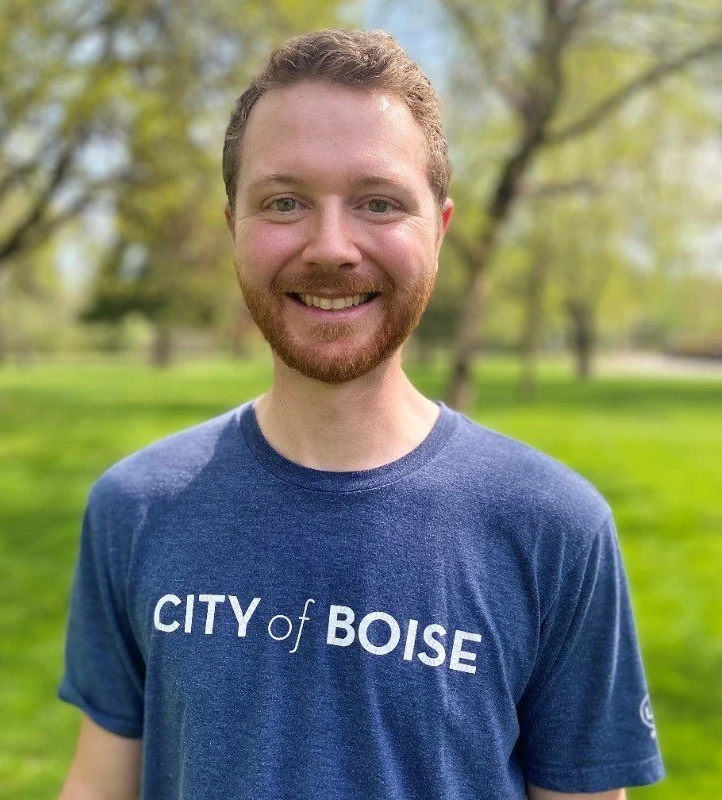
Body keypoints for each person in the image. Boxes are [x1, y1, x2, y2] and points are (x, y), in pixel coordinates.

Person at [57, 29, 665, 800]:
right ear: (232, 229)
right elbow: (99, 782)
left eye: (378, 202)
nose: (332, 247)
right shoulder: (136, 508)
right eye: (285, 202)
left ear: (437, 232)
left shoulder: (555, 530)